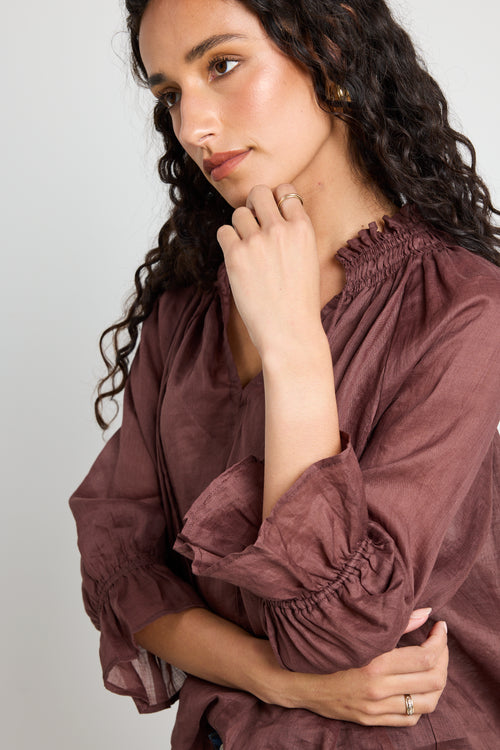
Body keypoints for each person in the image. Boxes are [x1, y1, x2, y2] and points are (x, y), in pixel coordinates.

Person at [70, 0, 500, 747]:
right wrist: (279, 679)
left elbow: (340, 627)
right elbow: (120, 567)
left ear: (327, 50)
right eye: (171, 93)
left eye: (223, 65)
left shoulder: (463, 306)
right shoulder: (186, 316)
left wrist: (295, 343)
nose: (194, 126)